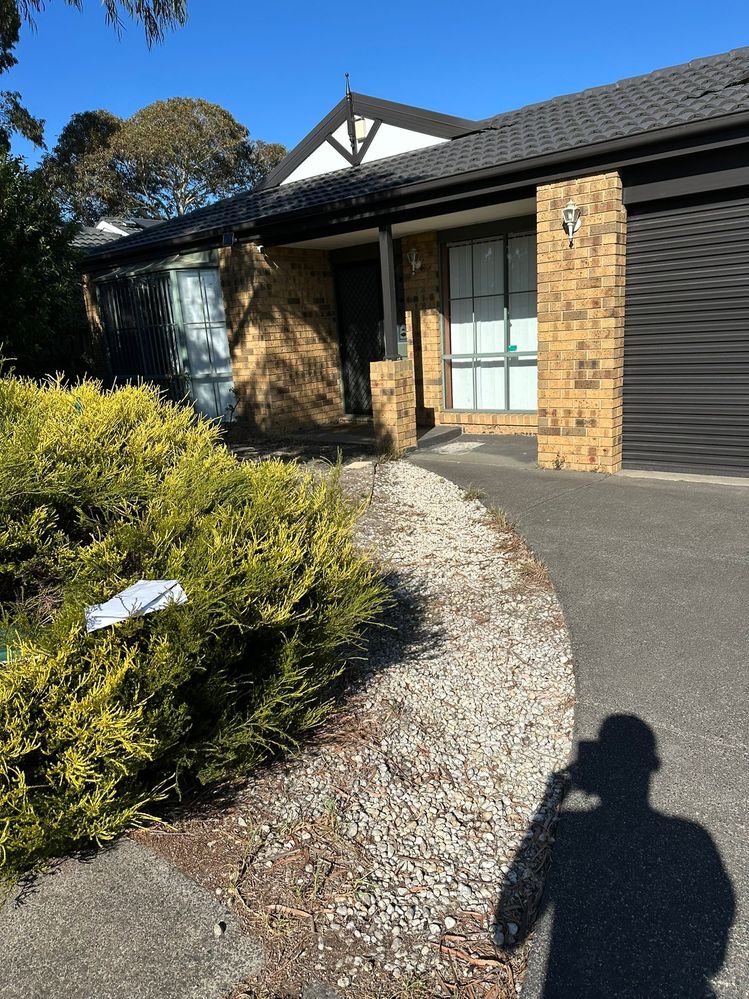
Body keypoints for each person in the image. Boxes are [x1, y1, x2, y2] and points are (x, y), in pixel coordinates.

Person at [496, 715, 735, 998]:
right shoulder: (693, 835)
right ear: (651, 766)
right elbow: (718, 926)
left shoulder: (574, 825)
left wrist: (554, 790)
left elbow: (509, 942)